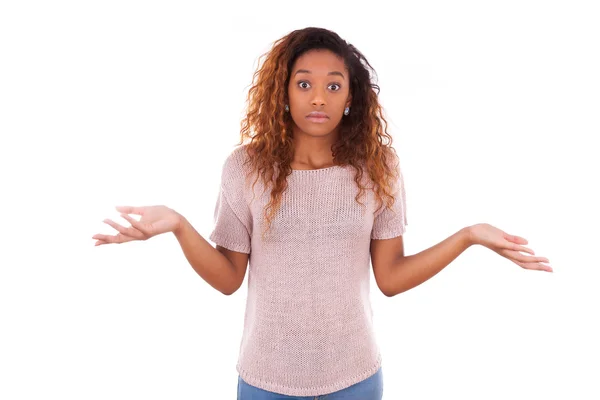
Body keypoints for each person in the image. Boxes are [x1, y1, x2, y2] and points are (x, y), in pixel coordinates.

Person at [92, 27, 552, 400]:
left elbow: (390, 278)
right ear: (283, 91)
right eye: (304, 83)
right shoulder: (245, 168)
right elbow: (229, 277)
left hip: (355, 378)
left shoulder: (378, 166)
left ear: (350, 96)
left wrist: (468, 235)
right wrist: (177, 224)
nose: (318, 97)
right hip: (265, 381)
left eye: (334, 85)